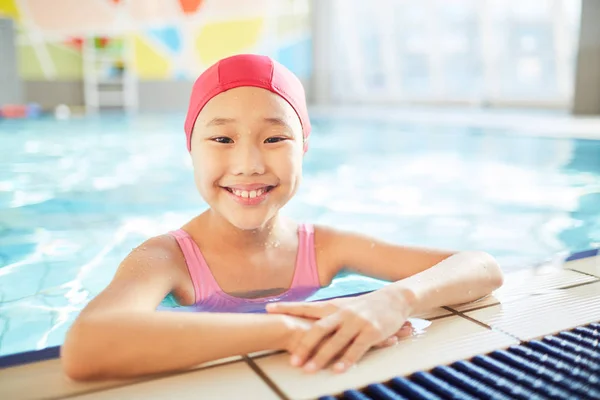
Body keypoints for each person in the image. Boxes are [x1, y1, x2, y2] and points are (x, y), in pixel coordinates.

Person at [60, 53, 504, 381]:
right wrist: (287, 332)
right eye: (221, 138)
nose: (249, 164)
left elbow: (481, 266)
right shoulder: (168, 258)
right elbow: (86, 346)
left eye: (274, 138)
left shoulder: (324, 248)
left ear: (304, 148)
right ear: (190, 149)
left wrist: (391, 300)